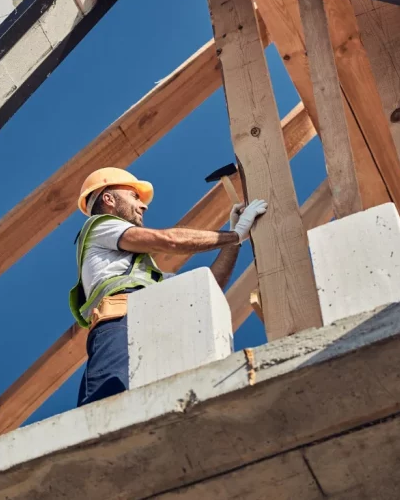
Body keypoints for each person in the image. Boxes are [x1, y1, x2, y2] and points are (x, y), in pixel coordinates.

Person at [69, 167, 267, 406]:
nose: (143, 206)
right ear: (109, 199)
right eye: (134, 196)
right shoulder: (100, 225)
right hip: (121, 325)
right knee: (107, 403)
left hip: (144, 328)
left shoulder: (144, 277)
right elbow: (169, 241)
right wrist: (234, 235)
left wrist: (233, 241)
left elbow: (209, 286)